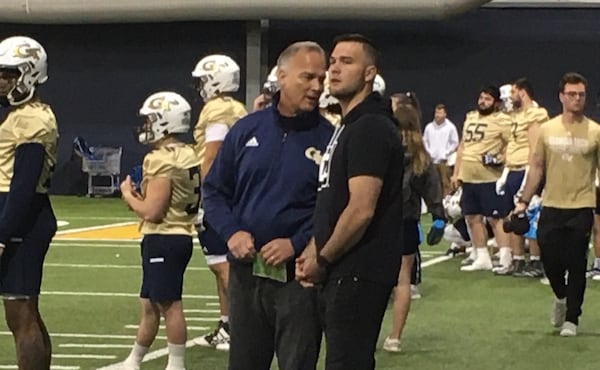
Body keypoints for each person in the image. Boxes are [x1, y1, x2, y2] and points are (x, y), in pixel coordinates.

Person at [203, 41, 333, 370]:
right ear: (283, 76)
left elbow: (333, 209)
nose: (317, 86)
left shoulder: (331, 139)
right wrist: (232, 234)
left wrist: (297, 242)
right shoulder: (247, 128)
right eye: (308, 77)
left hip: (298, 280)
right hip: (246, 277)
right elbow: (215, 191)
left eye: (321, 78)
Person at [296, 33, 404, 370]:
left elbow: (360, 209)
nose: (334, 69)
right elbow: (335, 199)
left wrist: (324, 259)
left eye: (347, 61)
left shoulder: (370, 126)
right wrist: (316, 246)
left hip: (357, 270)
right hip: (345, 269)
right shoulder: (349, 125)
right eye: (333, 62)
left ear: (369, 73)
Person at [513, 72, 600, 337]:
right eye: (572, 94)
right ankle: (560, 296)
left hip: (582, 206)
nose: (577, 99)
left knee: (576, 262)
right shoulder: (548, 130)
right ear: (561, 96)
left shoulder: (595, 131)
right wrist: (522, 202)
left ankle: (572, 318)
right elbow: (537, 168)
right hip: (552, 205)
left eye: (581, 94)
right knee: (549, 259)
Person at [119, 91, 199, 369]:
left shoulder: (160, 158)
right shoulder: (189, 152)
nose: (145, 126)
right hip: (178, 235)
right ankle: (134, 360)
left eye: (150, 120)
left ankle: (176, 365)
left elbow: (153, 211)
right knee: (149, 304)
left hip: (164, 236)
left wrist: (129, 196)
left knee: (169, 304)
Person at [0, 35, 57, 370]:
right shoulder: (17, 114)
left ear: (28, 74)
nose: (1, 81)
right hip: (16, 211)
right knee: (23, 312)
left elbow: (23, 183)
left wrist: (3, 234)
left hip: (21, 214)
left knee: (20, 312)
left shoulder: (34, 118)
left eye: (7, 74)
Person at [190, 54, 247, 351]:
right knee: (220, 264)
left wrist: (202, 196)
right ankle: (228, 324)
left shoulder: (217, 109)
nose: (200, 86)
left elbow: (212, 153)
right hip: (236, 190)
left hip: (221, 193)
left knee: (225, 266)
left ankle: (241, 327)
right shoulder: (236, 107)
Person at [382, 104, 445, 353]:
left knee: (372, 280)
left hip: (379, 224)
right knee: (403, 280)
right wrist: (438, 218)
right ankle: (394, 338)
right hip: (407, 223)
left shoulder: (382, 151)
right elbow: (433, 191)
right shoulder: (422, 157)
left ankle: (368, 332)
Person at [451, 86, 512, 272]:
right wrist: (456, 172)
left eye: (487, 99)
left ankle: (505, 256)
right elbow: (462, 146)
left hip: (489, 177)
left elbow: (512, 145)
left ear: (496, 102)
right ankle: (482, 255)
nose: (482, 101)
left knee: (496, 218)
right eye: (481, 97)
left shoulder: (502, 120)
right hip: (468, 176)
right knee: (472, 217)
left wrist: (500, 159)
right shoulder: (470, 117)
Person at [495, 78, 549, 276]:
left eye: (513, 92)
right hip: (512, 169)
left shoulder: (536, 114)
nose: (510, 97)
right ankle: (517, 259)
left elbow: (535, 147)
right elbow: (511, 144)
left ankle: (535, 260)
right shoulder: (516, 116)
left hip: (527, 170)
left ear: (523, 92)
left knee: (530, 214)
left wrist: (530, 174)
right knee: (512, 217)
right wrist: (505, 172)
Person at [423, 104, 459, 196]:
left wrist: (446, 153)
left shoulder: (450, 127)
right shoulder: (429, 127)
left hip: (444, 162)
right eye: (436, 113)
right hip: (431, 162)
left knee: (445, 183)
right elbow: (425, 141)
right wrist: (429, 152)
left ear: (445, 114)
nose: (437, 115)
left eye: (440, 113)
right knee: (432, 184)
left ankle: (445, 202)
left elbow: (455, 142)